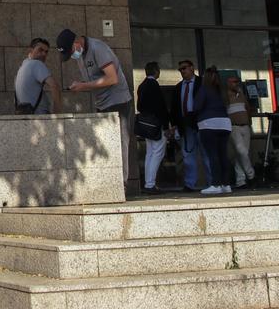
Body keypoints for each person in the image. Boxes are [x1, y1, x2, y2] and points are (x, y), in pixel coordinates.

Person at [57, 29, 134, 184]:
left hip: (118, 101)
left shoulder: (98, 49)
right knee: (104, 144)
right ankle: (109, 182)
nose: (72, 56)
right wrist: (80, 86)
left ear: (77, 43)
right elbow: (94, 80)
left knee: (120, 142)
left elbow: (112, 78)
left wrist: (84, 85)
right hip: (102, 103)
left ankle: (122, 183)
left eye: (71, 52)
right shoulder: (80, 54)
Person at [169, 59, 211, 191]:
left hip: (201, 123)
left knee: (206, 155)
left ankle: (212, 183)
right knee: (188, 155)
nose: (182, 71)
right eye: (180, 69)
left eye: (184, 68)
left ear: (192, 68)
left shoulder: (202, 83)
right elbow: (174, 108)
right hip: (185, 124)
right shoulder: (178, 87)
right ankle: (189, 183)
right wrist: (174, 124)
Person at [192, 67, 233, 195]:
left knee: (212, 154)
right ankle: (226, 184)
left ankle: (215, 184)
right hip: (225, 123)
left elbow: (196, 106)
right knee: (223, 155)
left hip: (208, 123)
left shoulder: (204, 89)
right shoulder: (222, 91)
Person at [136, 61, 170, 195]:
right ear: (156, 71)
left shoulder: (142, 85)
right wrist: (166, 125)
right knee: (158, 153)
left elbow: (139, 107)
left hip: (146, 125)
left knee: (150, 153)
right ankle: (150, 183)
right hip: (156, 124)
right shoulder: (153, 85)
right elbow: (161, 107)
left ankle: (148, 182)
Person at [14, 38, 61, 114]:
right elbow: (54, 86)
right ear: (30, 50)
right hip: (41, 116)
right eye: (40, 50)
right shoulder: (37, 64)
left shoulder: (22, 67)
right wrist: (57, 115)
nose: (44, 54)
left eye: (46, 52)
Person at [225, 75, 256, 188]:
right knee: (242, 151)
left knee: (242, 154)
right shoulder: (225, 96)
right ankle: (251, 175)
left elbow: (247, 108)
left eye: (237, 82)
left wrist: (249, 121)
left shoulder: (241, 94)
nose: (235, 84)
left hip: (245, 126)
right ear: (228, 83)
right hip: (234, 127)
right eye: (233, 82)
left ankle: (240, 180)